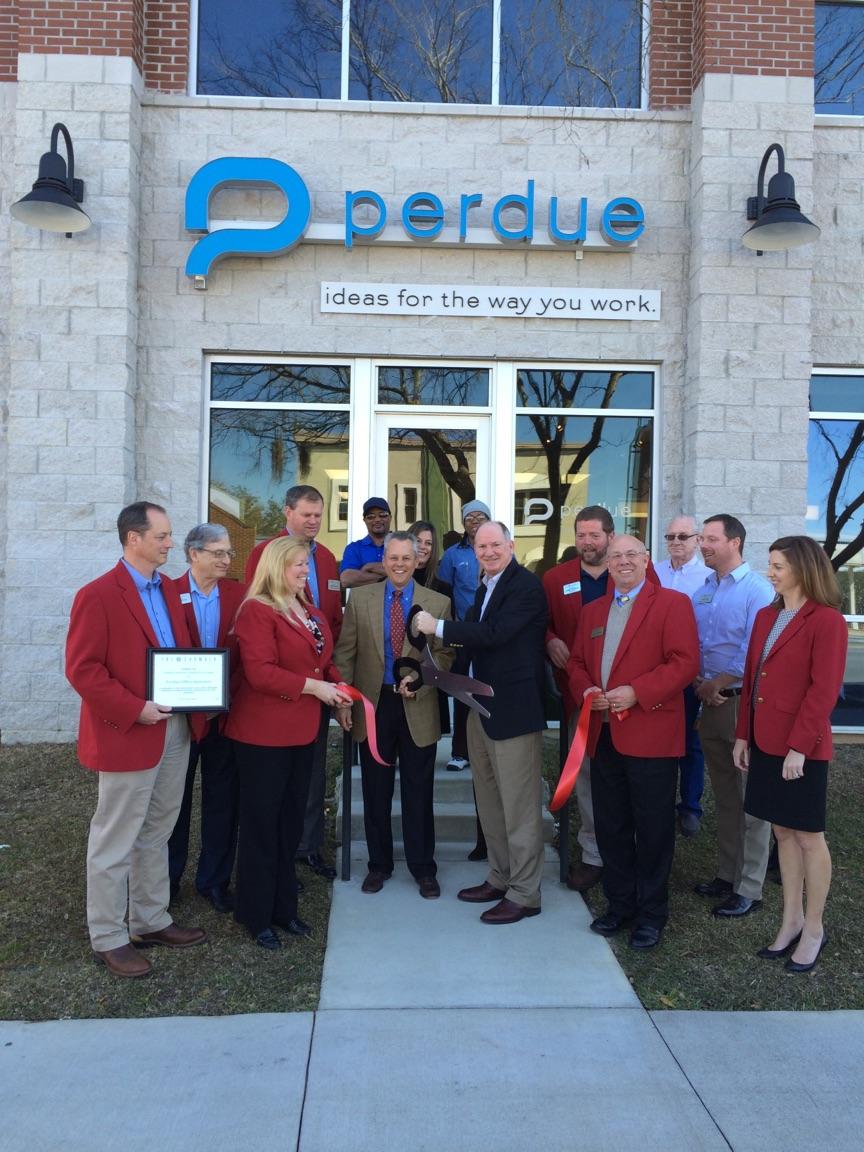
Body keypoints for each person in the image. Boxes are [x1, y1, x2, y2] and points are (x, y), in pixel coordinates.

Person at [65, 502, 206, 979]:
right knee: (115, 837)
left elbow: (180, 654)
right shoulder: (98, 594)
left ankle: (149, 919)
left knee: (158, 830)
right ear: (133, 538)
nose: (170, 543)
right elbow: (83, 670)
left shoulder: (168, 589)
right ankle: (108, 936)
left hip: (173, 728)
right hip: (128, 731)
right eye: (162, 536)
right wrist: (134, 708)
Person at [567, 536, 700, 949]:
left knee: (653, 828)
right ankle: (620, 904)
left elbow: (685, 662)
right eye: (616, 556)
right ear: (607, 564)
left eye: (631, 555)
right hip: (604, 734)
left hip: (651, 736)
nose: (623, 562)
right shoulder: (593, 610)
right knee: (611, 824)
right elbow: (576, 663)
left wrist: (638, 692)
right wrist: (587, 690)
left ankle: (651, 914)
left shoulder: (673, 604)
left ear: (645, 561)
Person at [414, 521, 548, 925]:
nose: (488, 552)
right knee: (490, 805)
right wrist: (430, 672)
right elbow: (471, 644)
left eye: (495, 545)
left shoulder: (525, 587)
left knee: (519, 808)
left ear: (511, 545)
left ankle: (525, 893)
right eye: (481, 547)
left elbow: (494, 633)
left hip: (513, 713)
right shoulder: (485, 588)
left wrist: (437, 626)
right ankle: (500, 877)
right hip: (479, 709)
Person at [224, 537, 351, 950]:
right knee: (262, 825)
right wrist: (316, 688)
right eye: (297, 564)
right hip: (263, 736)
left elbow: (321, 661)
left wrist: (338, 686)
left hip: (302, 732)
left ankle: (283, 909)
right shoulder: (257, 611)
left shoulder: (308, 610)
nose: (304, 571)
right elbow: (261, 673)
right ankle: (256, 914)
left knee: (290, 823)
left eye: (305, 565)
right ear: (277, 567)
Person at [733, 536, 846, 973]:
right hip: (764, 742)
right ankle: (791, 919)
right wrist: (743, 735)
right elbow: (751, 679)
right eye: (771, 564)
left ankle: (814, 928)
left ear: (803, 568)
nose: (771, 572)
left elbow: (823, 690)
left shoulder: (826, 620)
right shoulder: (767, 615)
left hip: (802, 748)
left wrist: (799, 746)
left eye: (778, 566)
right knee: (782, 832)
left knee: (807, 836)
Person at [543, 506, 660, 892]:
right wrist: (550, 640)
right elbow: (539, 622)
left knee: (632, 778)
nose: (587, 542)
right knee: (588, 778)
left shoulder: (633, 572)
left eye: (595, 535)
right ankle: (594, 855)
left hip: (631, 700)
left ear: (610, 536)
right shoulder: (556, 579)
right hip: (582, 695)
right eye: (581, 535)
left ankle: (634, 853)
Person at [333, 531, 453, 898]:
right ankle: (378, 865)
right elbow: (346, 653)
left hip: (418, 704)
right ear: (383, 561)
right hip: (374, 706)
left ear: (418, 561)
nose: (399, 564)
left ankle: (423, 868)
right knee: (376, 790)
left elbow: (445, 654)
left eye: (406, 558)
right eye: (393, 557)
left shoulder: (439, 602)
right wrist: (344, 702)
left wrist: (421, 678)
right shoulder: (360, 599)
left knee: (419, 791)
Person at [245, 484, 343, 881]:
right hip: (280, 691)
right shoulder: (266, 554)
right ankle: (279, 856)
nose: (314, 521)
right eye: (306, 514)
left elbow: (333, 620)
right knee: (277, 784)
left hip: (319, 679)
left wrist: (332, 676)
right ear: (287, 513)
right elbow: (259, 617)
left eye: (319, 515)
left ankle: (308, 846)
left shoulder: (329, 558)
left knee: (313, 771)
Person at [692, 514, 774, 918]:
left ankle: (750, 886)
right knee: (725, 796)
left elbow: (755, 650)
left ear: (735, 542)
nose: (702, 545)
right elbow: (693, 642)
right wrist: (700, 682)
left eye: (711, 539)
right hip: (710, 704)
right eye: (701, 538)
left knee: (751, 799)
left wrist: (717, 683)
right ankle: (728, 874)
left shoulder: (757, 590)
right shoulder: (704, 589)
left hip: (741, 704)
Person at [167, 524, 247, 912]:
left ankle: (214, 881)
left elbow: (247, 653)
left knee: (222, 801)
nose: (226, 559)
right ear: (193, 553)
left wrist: (227, 694)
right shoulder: (166, 594)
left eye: (229, 553)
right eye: (218, 553)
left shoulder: (239, 595)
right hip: (179, 720)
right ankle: (166, 880)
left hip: (223, 717)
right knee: (173, 803)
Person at [655, 514, 711, 838]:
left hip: (690, 675)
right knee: (661, 741)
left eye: (683, 536)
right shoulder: (654, 573)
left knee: (691, 742)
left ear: (697, 540)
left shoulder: (708, 579)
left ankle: (690, 807)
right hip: (657, 672)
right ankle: (660, 802)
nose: (676, 542)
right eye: (670, 536)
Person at [436, 499, 491, 773]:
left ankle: (489, 750)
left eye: (481, 516)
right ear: (463, 522)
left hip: (492, 633)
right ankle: (460, 752)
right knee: (462, 691)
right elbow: (444, 593)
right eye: (470, 517)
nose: (475, 521)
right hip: (462, 633)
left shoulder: (497, 549)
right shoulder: (452, 555)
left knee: (490, 689)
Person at [340, 497, 392, 588]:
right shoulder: (354, 548)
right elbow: (346, 579)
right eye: (371, 517)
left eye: (382, 515)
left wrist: (369, 567)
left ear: (390, 518)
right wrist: (388, 577)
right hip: (364, 598)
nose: (377, 519)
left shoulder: (402, 544)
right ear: (364, 520)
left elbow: (408, 571)